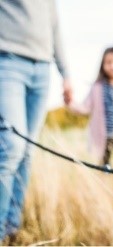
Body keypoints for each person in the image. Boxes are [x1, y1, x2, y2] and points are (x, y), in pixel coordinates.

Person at [0, 0, 72, 241]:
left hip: (42, 69)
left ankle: (12, 227)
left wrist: (66, 74)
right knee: (11, 147)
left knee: (27, 152)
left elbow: (54, 26)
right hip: (7, 62)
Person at [67, 46, 113, 166]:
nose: (112, 66)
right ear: (103, 65)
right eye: (108, 62)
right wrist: (70, 102)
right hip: (104, 139)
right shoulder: (97, 87)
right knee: (103, 168)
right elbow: (85, 107)